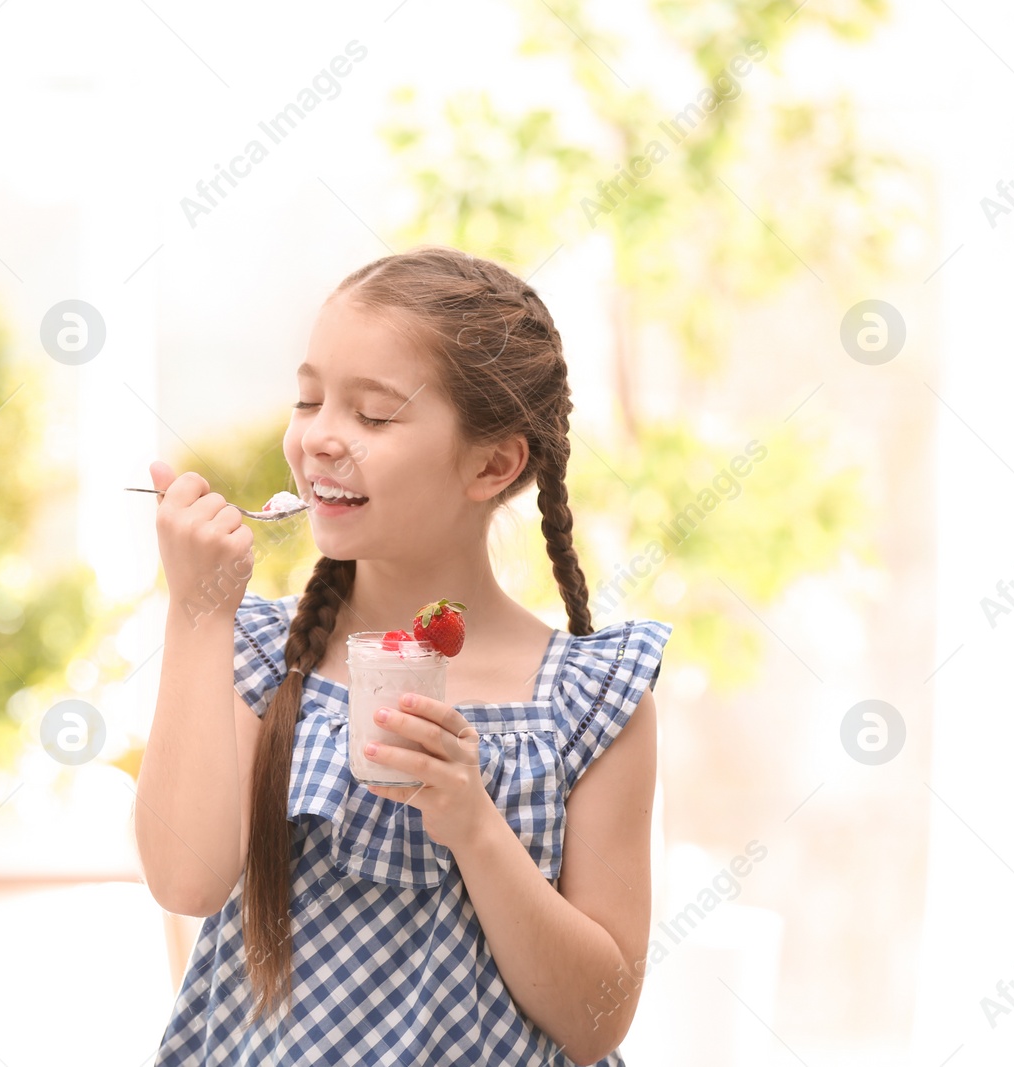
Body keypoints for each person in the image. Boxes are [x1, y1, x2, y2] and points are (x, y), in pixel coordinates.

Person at [136, 246, 673, 1065]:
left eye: (373, 415)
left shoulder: (594, 699)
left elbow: (596, 1020)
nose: (318, 438)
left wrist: (475, 825)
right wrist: (196, 610)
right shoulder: (251, 652)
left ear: (492, 463)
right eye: (309, 399)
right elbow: (186, 880)